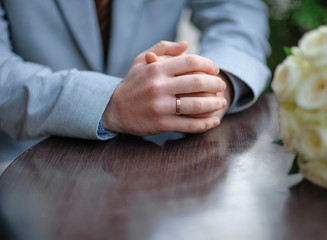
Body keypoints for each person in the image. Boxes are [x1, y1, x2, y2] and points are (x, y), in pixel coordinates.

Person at [0, 0, 271, 171]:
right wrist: (110, 103)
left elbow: (237, 11)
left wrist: (214, 82)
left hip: (159, 157)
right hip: (22, 163)